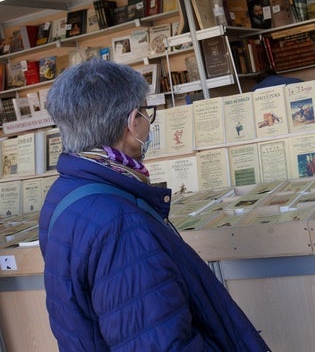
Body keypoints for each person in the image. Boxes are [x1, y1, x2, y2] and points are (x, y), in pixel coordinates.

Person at [39, 59, 270, 351]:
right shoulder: (119, 224)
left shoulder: (66, 191)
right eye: (146, 113)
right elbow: (158, 342)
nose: (149, 124)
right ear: (131, 121)